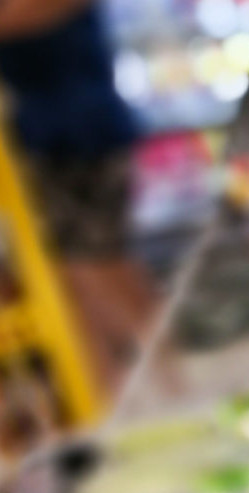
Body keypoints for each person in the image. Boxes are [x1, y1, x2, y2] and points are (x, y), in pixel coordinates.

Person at [0, 0, 158, 395]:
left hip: (78, 132)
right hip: (45, 140)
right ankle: (114, 399)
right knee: (70, 283)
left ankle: (164, 388)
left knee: (97, 268)